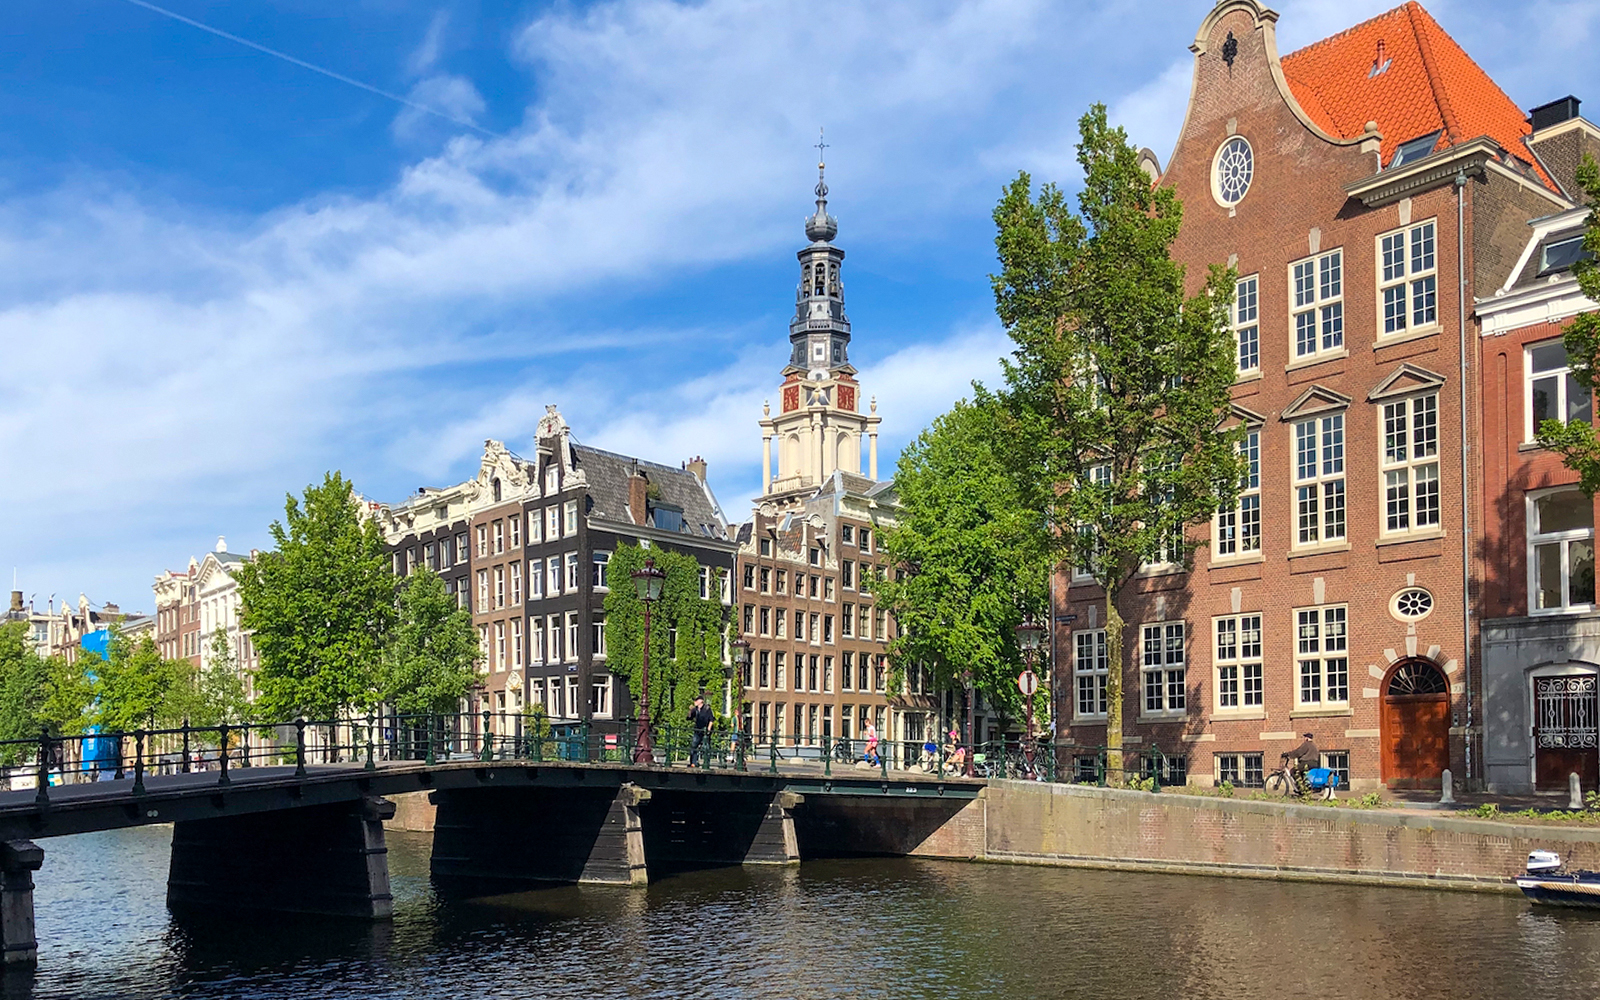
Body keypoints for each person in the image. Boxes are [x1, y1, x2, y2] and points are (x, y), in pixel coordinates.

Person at [1283, 731, 1319, 796]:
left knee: (1293, 771)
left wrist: (1288, 754)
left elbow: (1299, 752)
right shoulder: (1314, 745)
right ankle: (1304, 789)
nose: (1304, 739)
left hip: (1306, 763)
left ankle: (1299, 788)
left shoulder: (1306, 744)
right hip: (1314, 764)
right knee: (1303, 774)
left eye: (1305, 737)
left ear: (1307, 738)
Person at [687, 696, 714, 767]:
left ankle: (706, 763)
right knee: (694, 745)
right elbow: (689, 718)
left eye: (696, 700)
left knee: (706, 746)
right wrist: (690, 711)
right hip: (697, 730)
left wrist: (708, 729)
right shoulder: (695, 709)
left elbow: (711, 719)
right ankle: (693, 762)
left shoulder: (707, 709)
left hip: (705, 731)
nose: (694, 702)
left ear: (701, 701)